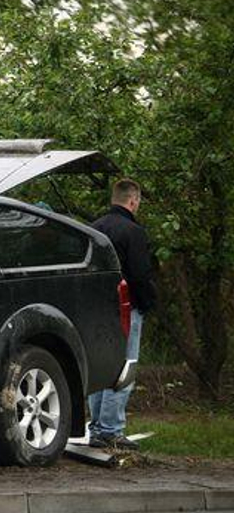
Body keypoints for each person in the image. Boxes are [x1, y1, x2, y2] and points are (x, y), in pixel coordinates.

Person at [88, 178, 157, 450]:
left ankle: (96, 427)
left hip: (95, 309)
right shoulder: (133, 232)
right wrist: (148, 303)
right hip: (125, 308)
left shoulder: (92, 229)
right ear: (133, 200)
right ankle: (111, 428)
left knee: (100, 366)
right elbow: (140, 275)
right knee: (124, 367)